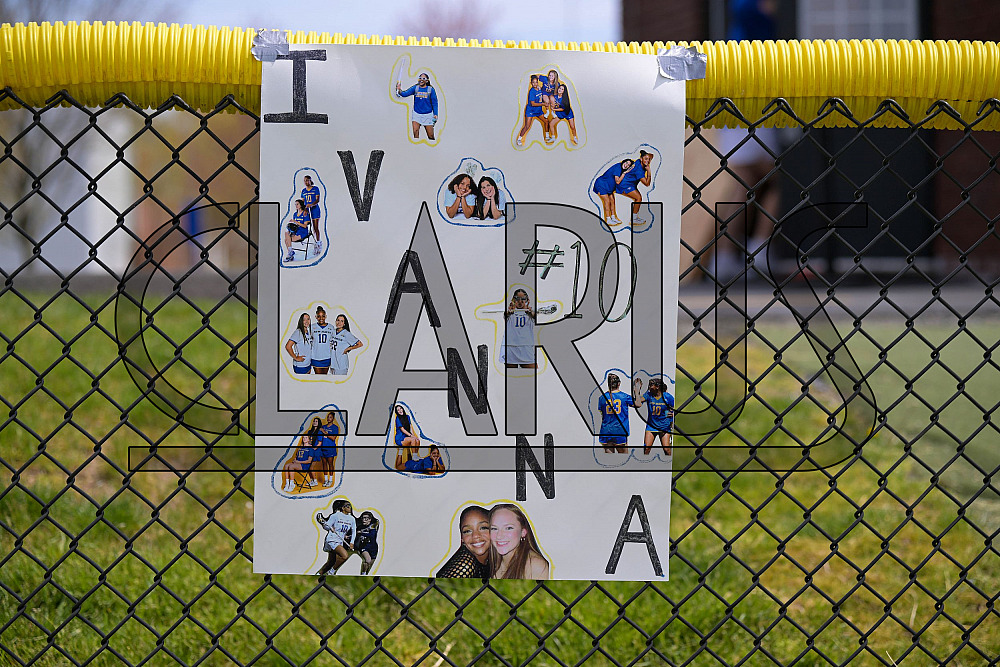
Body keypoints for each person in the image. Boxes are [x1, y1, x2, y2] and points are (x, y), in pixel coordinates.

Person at [489, 504, 549, 579]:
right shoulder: (490, 561)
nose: (499, 536)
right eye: (494, 529)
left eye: (508, 528)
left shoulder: (535, 565)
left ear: (523, 532)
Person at [436, 505, 491, 578]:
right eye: (467, 531)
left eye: (483, 528)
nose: (475, 535)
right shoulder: (465, 565)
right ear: (462, 538)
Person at [633, 377, 674, 456]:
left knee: (667, 449)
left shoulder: (667, 397)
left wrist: (672, 414)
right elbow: (638, 401)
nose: (649, 387)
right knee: (646, 449)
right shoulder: (648, 395)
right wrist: (637, 391)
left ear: (657, 387)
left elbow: (674, 408)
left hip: (664, 426)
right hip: (651, 426)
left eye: (651, 385)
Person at [316, 499, 357, 575]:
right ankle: (331, 572)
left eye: (350, 506)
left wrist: (352, 542)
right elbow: (326, 527)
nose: (349, 508)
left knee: (331, 562)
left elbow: (354, 531)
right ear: (342, 508)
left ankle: (319, 574)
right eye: (347, 506)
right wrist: (328, 527)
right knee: (344, 556)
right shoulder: (335, 516)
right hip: (332, 539)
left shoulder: (352, 519)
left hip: (340, 541)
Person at [598, 373, 634, 454]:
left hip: (606, 430)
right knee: (623, 458)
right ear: (619, 384)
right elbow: (637, 404)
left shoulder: (602, 398)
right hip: (619, 430)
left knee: (610, 460)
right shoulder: (624, 396)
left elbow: (601, 413)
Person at [396, 72, 438, 140]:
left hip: (427, 115)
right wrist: (399, 90)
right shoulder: (415, 88)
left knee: (430, 135)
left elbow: (435, 103)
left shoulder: (430, 90)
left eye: (423, 78)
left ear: (427, 80)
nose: (421, 79)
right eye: (420, 78)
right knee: (415, 132)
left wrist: (435, 114)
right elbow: (404, 94)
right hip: (416, 114)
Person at [616, 150, 654, 225]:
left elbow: (652, 155)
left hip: (629, 183)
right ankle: (634, 219)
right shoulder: (639, 171)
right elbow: (647, 183)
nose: (648, 161)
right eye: (646, 159)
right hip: (625, 185)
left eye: (649, 159)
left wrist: (647, 157)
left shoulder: (638, 161)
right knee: (638, 198)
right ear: (641, 159)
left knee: (638, 196)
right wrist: (649, 171)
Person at [593, 159, 635, 226]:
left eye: (628, 165)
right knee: (607, 201)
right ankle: (608, 219)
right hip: (602, 184)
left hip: (609, 186)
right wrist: (624, 173)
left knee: (612, 200)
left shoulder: (621, 170)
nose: (626, 165)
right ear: (623, 162)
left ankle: (613, 217)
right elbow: (618, 181)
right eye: (626, 162)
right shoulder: (618, 167)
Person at [503, 289, 536, 369]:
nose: (520, 301)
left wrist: (531, 313)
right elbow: (506, 315)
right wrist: (509, 311)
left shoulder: (530, 313)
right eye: (517, 299)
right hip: (511, 348)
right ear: (514, 300)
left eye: (523, 299)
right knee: (511, 376)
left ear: (527, 300)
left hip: (526, 348)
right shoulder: (510, 313)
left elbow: (535, 317)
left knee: (530, 375)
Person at [516, 75, 546, 147]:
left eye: (536, 82)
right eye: (533, 83)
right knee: (527, 126)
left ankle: (547, 136)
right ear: (531, 83)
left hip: (538, 111)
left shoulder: (539, 89)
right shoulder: (531, 91)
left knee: (546, 121)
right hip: (531, 111)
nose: (535, 84)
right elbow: (532, 104)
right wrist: (543, 104)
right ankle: (519, 139)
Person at [391, 404, 421, 470]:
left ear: (403, 409)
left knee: (417, 440)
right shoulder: (398, 418)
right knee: (413, 440)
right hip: (400, 438)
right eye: (398, 410)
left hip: (407, 436)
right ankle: (414, 457)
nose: (400, 411)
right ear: (397, 412)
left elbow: (410, 427)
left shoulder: (407, 417)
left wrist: (414, 436)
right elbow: (402, 429)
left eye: (400, 409)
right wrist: (411, 436)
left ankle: (416, 455)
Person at [316, 411, 339, 487]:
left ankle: (330, 480)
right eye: (328, 417)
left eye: (330, 417)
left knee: (330, 464)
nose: (328, 419)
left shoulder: (335, 428)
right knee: (324, 464)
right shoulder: (323, 426)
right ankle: (326, 480)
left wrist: (324, 432)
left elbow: (333, 438)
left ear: (333, 418)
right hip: (323, 448)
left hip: (330, 448)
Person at [301, 175, 322, 256]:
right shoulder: (303, 191)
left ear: (310, 180)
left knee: (315, 227)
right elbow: (303, 202)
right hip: (307, 210)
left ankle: (318, 243)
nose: (306, 182)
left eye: (307, 180)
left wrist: (311, 204)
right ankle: (313, 243)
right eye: (305, 180)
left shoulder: (315, 188)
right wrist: (304, 209)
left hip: (315, 209)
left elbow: (317, 199)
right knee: (308, 227)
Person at [310, 306, 334, 375]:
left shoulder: (331, 327)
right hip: (315, 357)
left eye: (323, 316)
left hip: (327, 356)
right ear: (316, 317)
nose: (321, 318)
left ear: (326, 316)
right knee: (318, 377)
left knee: (324, 377)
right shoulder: (312, 327)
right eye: (319, 316)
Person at [539, 70, 560, 142]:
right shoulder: (545, 79)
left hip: (551, 94)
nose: (550, 77)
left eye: (552, 76)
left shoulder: (557, 84)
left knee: (552, 99)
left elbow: (558, 92)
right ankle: (547, 112)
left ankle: (553, 112)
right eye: (549, 75)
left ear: (555, 77)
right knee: (547, 101)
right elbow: (538, 76)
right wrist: (535, 81)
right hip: (544, 93)